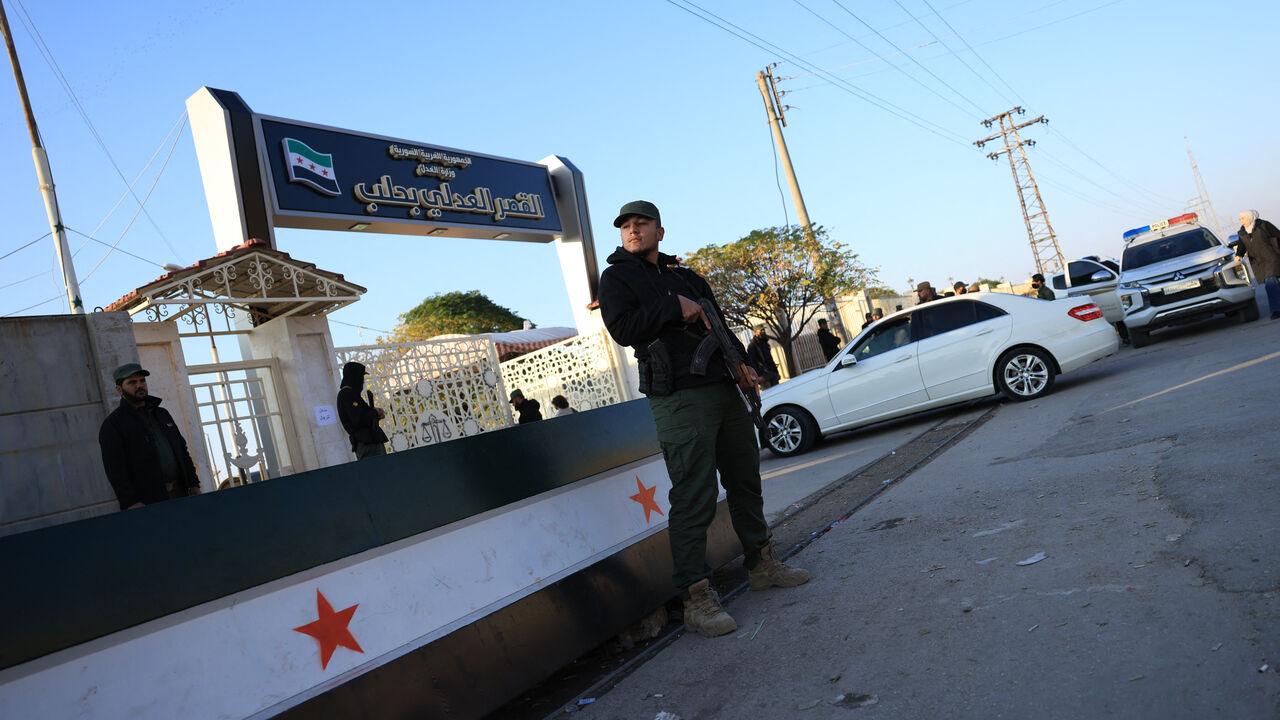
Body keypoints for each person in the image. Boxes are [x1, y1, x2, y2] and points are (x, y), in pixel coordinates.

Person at [597, 199, 809, 638]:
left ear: (660, 230)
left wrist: (744, 366)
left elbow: (719, 326)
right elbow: (623, 329)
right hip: (677, 397)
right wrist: (673, 307)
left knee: (745, 479)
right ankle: (695, 597)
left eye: (642, 224)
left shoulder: (686, 275)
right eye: (626, 226)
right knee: (694, 493)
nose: (633, 231)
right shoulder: (617, 277)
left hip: (722, 387)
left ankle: (761, 564)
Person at [98, 362, 202, 510]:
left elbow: (181, 449)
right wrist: (131, 502)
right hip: (148, 504)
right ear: (119, 389)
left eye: (142, 380)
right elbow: (115, 469)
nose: (139, 385)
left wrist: (193, 484)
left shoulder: (162, 414)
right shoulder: (113, 425)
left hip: (182, 496)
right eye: (132, 382)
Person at [1231, 210, 1280, 319]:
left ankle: (1276, 310)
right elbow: (1242, 245)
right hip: (1258, 263)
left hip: (1271, 259)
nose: (1241, 221)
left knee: (1270, 283)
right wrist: (1239, 255)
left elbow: (1278, 236)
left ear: (1250, 217)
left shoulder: (1264, 225)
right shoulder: (1242, 232)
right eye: (1240, 219)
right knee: (1274, 284)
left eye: (1243, 218)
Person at [337, 361, 388, 459]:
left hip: (372, 442)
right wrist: (374, 412)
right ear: (355, 377)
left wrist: (376, 414)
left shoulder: (352, 395)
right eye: (361, 377)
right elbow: (358, 419)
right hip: (367, 445)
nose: (363, 381)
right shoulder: (346, 394)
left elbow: (362, 415)